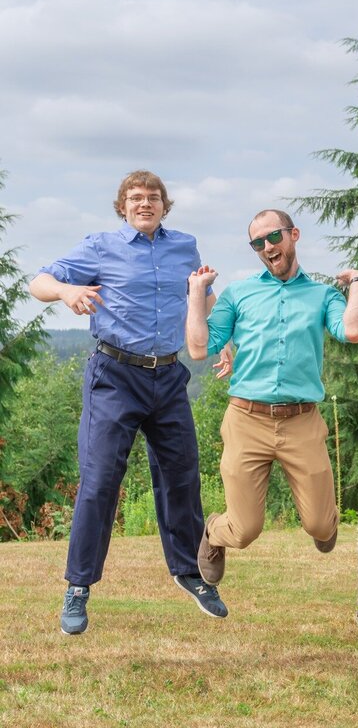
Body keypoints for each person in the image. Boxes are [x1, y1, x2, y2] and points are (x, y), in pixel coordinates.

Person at [30, 169, 229, 634]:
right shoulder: (100, 246)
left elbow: (202, 295)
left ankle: (190, 573)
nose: (145, 204)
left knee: (182, 477)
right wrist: (67, 291)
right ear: (123, 205)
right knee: (100, 482)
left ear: (165, 205)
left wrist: (221, 339)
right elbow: (39, 281)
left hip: (169, 375)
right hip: (115, 376)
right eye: (136, 198)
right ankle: (79, 587)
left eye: (154, 197)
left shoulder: (185, 246)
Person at [185, 209, 358, 595]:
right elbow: (200, 348)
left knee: (321, 525)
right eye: (257, 243)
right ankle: (214, 533)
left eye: (274, 237)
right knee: (245, 529)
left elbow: (352, 330)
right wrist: (196, 293)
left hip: (302, 420)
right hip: (246, 419)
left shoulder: (322, 295)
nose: (267, 247)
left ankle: (322, 522)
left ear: (294, 235)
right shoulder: (238, 294)